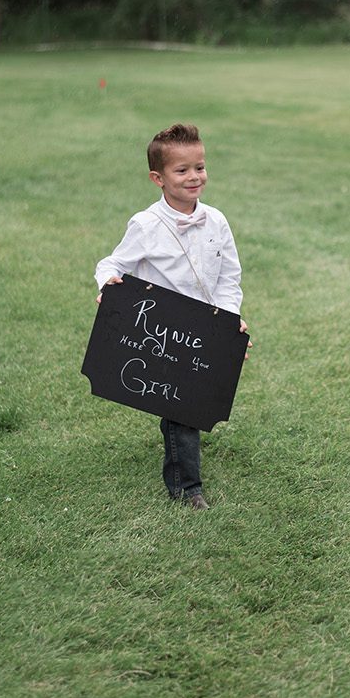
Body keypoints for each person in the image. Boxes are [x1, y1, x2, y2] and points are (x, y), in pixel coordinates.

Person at [94, 124, 247, 510]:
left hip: (207, 326)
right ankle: (186, 487)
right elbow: (113, 262)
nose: (194, 176)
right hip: (164, 332)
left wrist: (229, 321)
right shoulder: (146, 225)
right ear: (157, 179)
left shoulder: (217, 221)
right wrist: (109, 282)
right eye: (182, 171)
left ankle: (182, 447)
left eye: (200, 167)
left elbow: (229, 276)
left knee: (199, 398)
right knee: (181, 405)